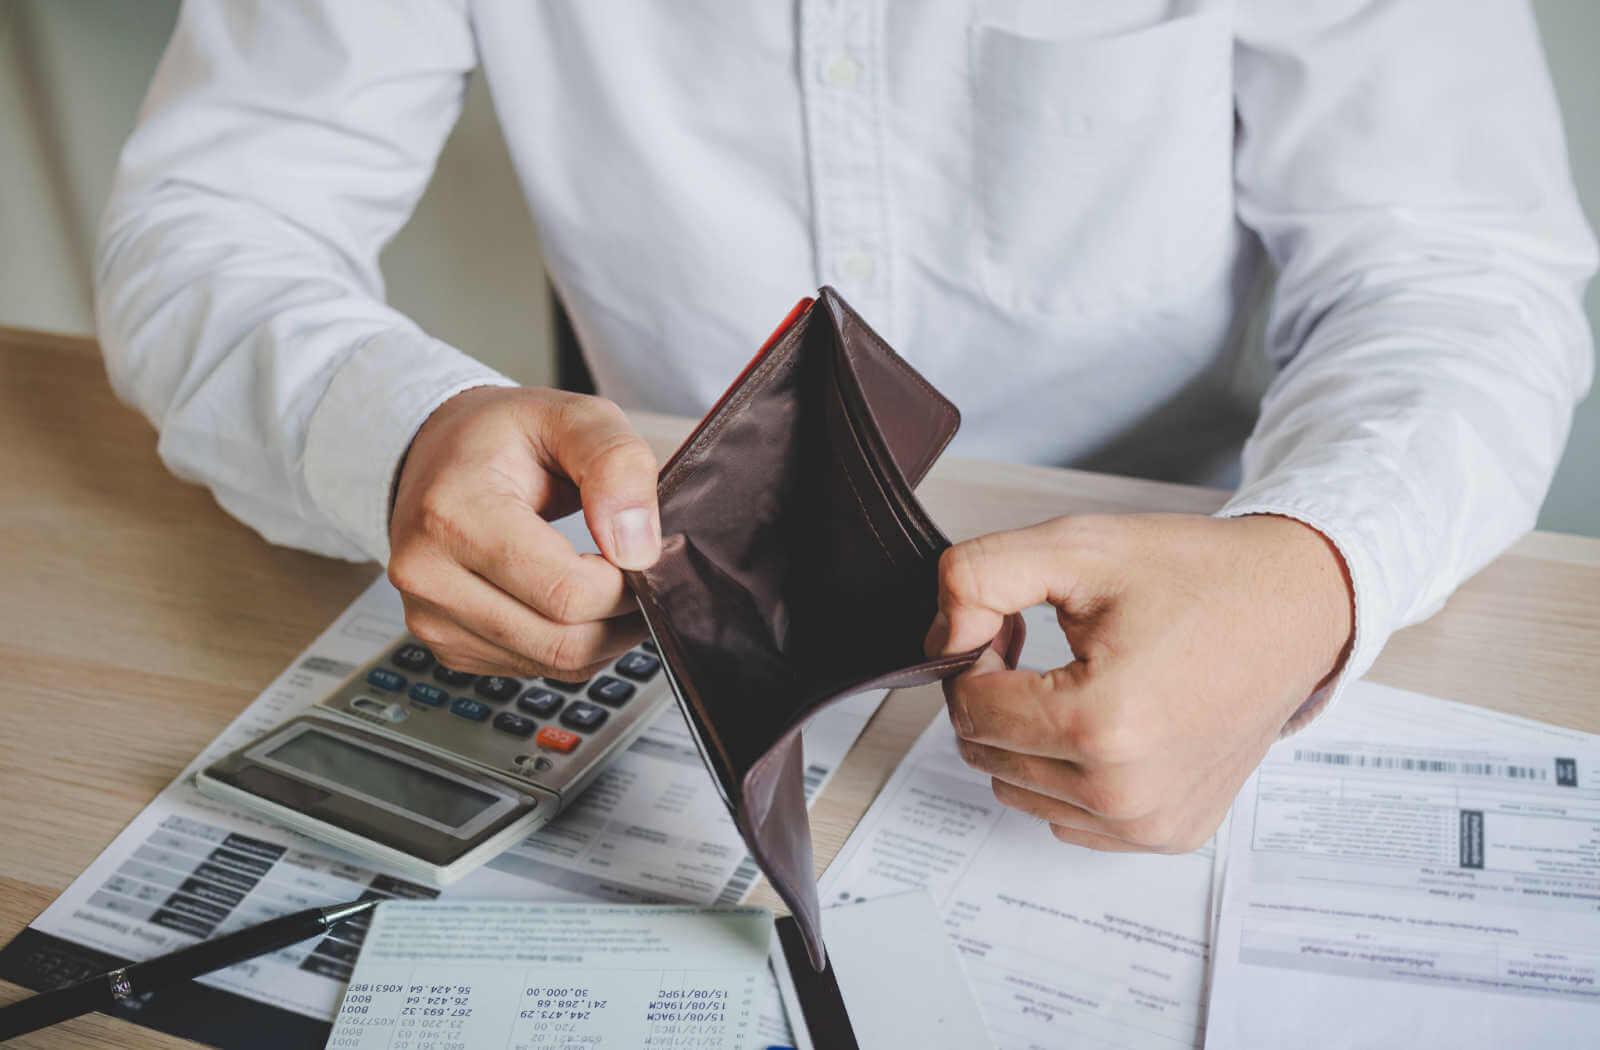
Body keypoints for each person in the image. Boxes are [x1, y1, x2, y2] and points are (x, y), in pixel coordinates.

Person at [97, 2, 1594, 855]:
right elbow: (216, 209)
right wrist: (401, 433)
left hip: (1178, 645)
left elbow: (1463, 268)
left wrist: (1316, 567)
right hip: (662, 660)